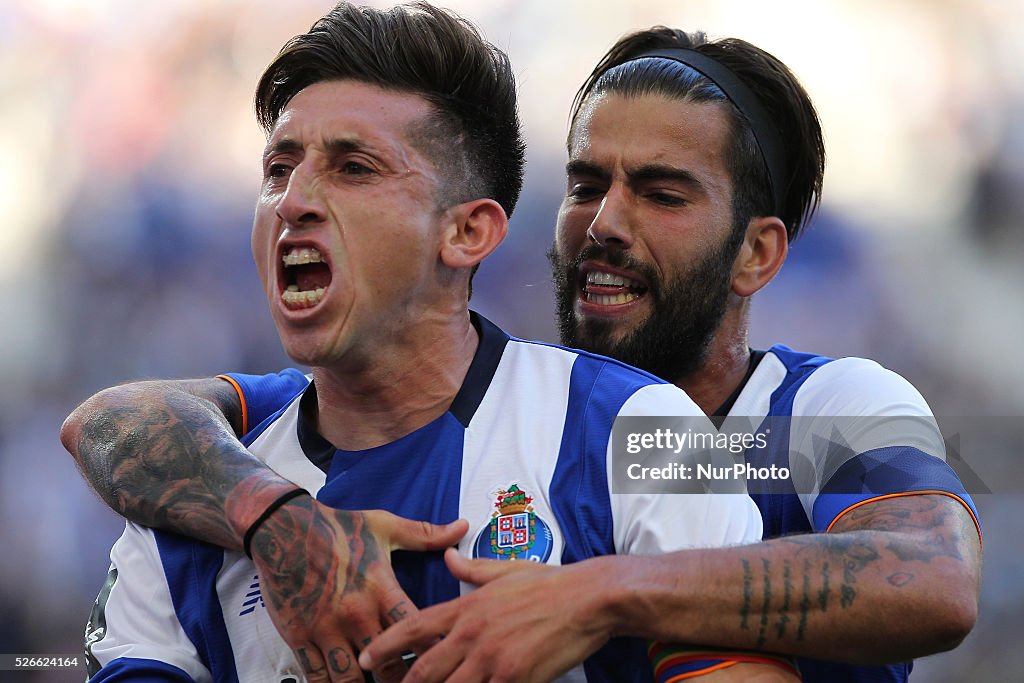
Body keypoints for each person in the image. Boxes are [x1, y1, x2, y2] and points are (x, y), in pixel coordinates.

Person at [60, 17, 983, 683]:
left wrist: (595, 592)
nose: (604, 224)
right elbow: (120, 419)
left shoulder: (798, 420)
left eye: (661, 193)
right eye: (585, 184)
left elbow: (931, 577)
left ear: (758, 251)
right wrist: (277, 520)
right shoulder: (474, 401)